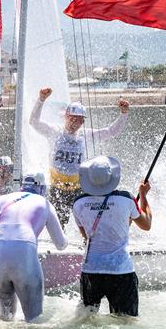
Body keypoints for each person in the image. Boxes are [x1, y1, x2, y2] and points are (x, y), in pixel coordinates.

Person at [0, 173, 67, 322]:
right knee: (34, 319)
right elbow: (60, 244)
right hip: (23, 248)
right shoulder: (44, 202)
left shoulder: (2, 199)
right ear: (41, 187)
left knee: (5, 317)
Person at [29, 87, 129, 227]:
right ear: (65, 116)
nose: (75, 123)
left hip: (80, 189)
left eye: (79, 120)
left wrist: (123, 114)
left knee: (88, 225)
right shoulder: (54, 131)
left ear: (83, 122)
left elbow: (111, 132)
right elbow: (34, 122)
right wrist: (41, 100)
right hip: (57, 189)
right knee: (57, 225)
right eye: (72, 118)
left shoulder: (87, 135)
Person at [72, 156, 151, 317]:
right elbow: (146, 224)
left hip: (91, 270)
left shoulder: (78, 203)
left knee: (87, 320)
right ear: (112, 178)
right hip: (121, 271)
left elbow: (88, 237)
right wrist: (143, 195)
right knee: (125, 323)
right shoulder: (126, 199)